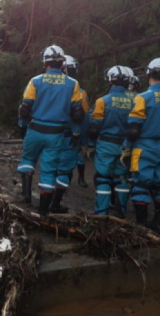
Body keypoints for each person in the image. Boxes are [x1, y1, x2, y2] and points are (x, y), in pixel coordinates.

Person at [17, 45, 86, 218]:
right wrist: (76, 133)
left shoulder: (35, 81)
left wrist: (22, 126)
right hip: (56, 134)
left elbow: (25, 108)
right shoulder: (73, 84)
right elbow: (77, 114)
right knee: (48, 172)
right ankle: (43, 212)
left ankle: (26, 195)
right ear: (62, 63)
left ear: (44, 62)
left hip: (35, 129)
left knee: (28, 160)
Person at [125, 58, 160, 233]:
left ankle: (141, 224)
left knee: (141, 183)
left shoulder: (143, 98)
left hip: (144, 146)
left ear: (148, 74)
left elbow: (134, 129)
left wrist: (127, 147)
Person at [88, 66, 135, 216]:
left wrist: (90, 145)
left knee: (103, 178)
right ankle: (121, 212)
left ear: (110, 80)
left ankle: (101, 213)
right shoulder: (134, 102)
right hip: (125, 145)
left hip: (106, 144)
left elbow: (94, 127)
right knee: (122, 178)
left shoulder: (103, 101)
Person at [51, 55, 90, 212]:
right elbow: (84, 120)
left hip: (48, 134)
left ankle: (46, 199)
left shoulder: (45, 86)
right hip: (70, 136)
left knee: (49, 167)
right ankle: (56, 200)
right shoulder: (80, 92)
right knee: (65, 170)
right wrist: (84, 141)